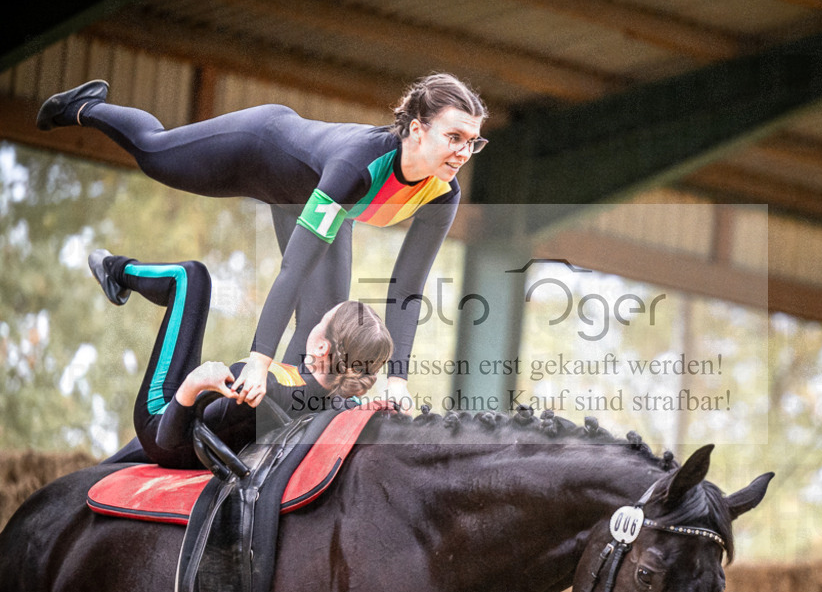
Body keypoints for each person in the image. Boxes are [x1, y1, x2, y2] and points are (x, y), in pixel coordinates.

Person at [38, 73, 487, 412]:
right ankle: (86, 108)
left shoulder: (443, 194)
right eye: (454, 138)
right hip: (258, 149)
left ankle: (269, 432)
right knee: (155, 154)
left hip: (311, 203)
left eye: (473, 142)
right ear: (416, 129)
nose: (463, 153)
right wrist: (258, 359)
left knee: (320, 325)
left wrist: (397, 382)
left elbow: (406, 290)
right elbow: (293, 269)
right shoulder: (357, 166)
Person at [90, 248, 394, 469]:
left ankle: (114, 270)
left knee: (190, 277)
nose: (313, 323)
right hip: (184, 433)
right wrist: (366, 410)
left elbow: (168, 440)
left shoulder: (265, 384)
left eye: (320, 321)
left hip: (160, 423)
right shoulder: (335, 405)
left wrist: (193, 384)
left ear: (322, 349)